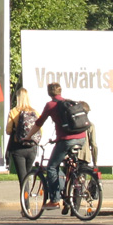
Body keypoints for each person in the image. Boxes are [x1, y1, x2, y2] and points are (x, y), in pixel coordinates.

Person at [24, 82, 87, 210]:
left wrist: (28, 136)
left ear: (49, 93)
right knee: (66, 164)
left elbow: (38, 123)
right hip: (81, 138)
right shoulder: (70, 103)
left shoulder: (50, 105)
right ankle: (69, 186)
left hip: (66, 140)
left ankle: (54, 200)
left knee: (52, 167)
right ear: (60, 91)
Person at [5, 87, 39, 185]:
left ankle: (25, 199)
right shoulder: (34, 112)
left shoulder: (13, 112)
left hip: (18, 147)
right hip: (32, 147)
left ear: (18, 97)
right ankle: (26, 198)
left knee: (22, 177)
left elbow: (8, 131)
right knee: (27, 174)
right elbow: (40, 129)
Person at [78, 101, 98, 167]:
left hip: (71, 156)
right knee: (82, 175)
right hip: (84, 156)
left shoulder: (71, 124)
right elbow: (93, 144)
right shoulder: (90, 125)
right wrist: (95, 162)